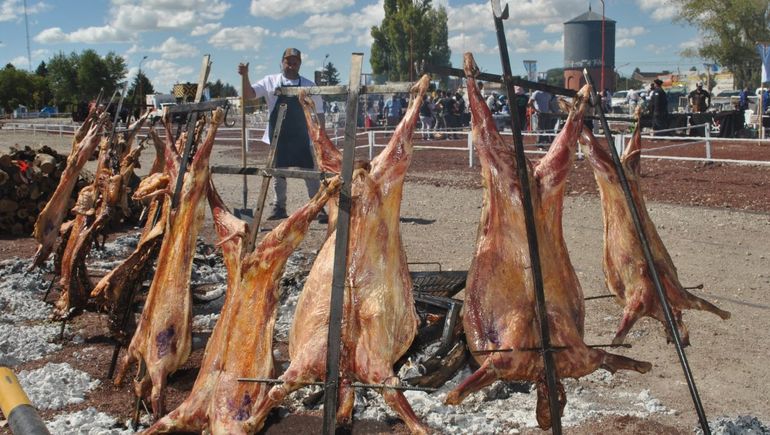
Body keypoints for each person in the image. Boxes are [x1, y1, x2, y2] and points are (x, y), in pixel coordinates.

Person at [238, 47, 327, 222]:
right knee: (278, 173)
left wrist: (321, 135)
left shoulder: (309, 85)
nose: (291, 66)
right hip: (278, 136)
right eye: (288, 62)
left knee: (311, 172)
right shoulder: (270, 81)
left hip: (303, 136)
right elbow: (249, 95)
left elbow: (320, 111)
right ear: (282, 62)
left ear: (300, 64)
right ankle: (279, 207)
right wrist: (245, 76)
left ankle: (318, 206)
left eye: (295, 63)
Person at [529, 82, 556, 147]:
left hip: (546, 113)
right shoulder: (536, 93)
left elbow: (549, 104)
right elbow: (530, 103)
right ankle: (539, 143)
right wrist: (536, 110)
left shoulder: (548, 94)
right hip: (540, 114)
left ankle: (547, 141)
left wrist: (553, 111)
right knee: (540, 129)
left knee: (548, 128)